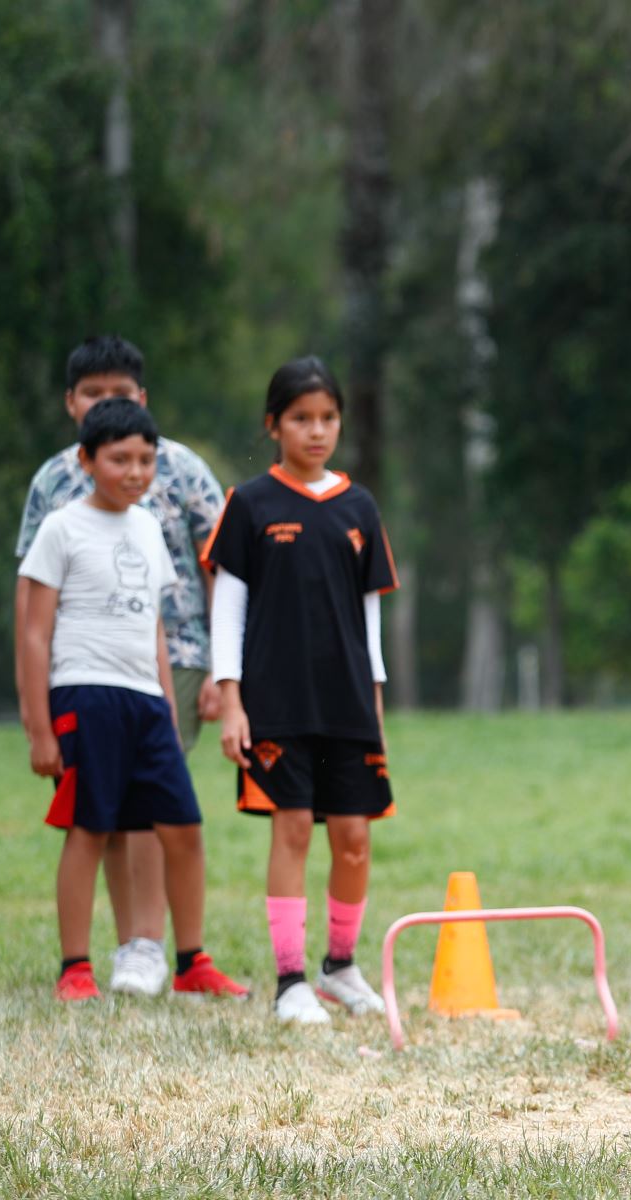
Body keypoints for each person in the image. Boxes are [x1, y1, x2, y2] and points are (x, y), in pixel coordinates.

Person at [14, 334, 228, 998]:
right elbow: (31, 627)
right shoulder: (60, 519)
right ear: (86, 457)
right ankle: (78, 965)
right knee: (94, 825)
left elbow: (158, 623)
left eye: (144, 460)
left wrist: (176, 695)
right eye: (120, 460)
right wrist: (39, 728)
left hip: (151, 695)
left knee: (181, 825)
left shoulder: (149, 519)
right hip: (86, 692)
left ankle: (188, 960)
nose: (135, 471)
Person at [204, 357, 399, 1025]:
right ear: (273, 425)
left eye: (328, 418)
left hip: (347, 702)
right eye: (301, 419)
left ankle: (340, 967)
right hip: (275, 703)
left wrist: (375, 701)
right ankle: (290, 982)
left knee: (353, 838)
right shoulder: (250, 504)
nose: (317, 431)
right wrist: (230, 698)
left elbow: (369, 617)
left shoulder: (359, 506)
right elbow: (227, 610)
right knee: (290, 831)